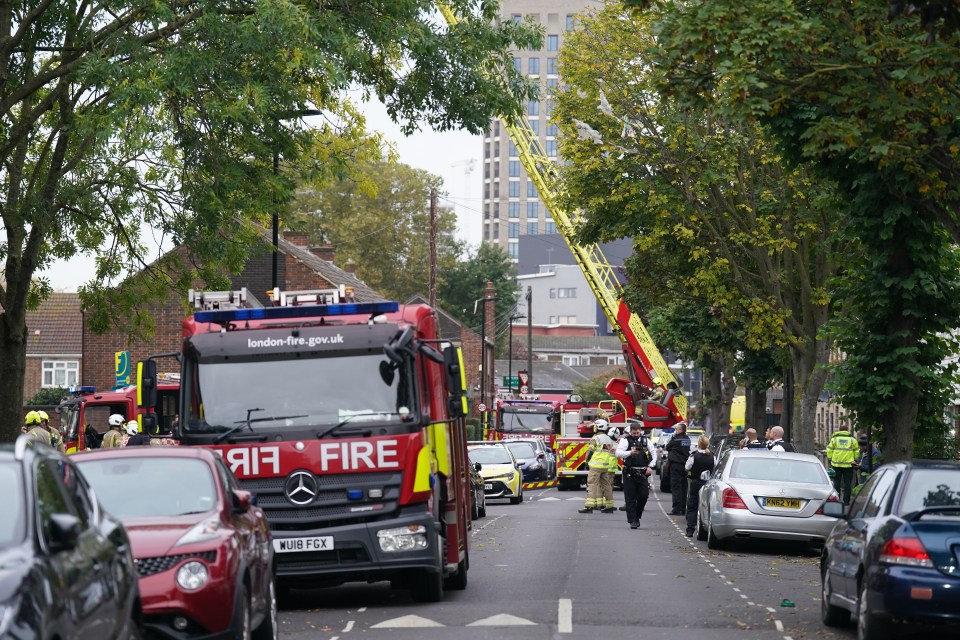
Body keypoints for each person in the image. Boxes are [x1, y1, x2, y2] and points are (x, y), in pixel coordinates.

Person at [616, 423, 657, 528]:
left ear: (640, 431)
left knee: (644, 495)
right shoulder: (625, 440)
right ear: (630, 432)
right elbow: (618, 453)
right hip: (630, 473)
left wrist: (650, 467)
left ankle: (637, 516)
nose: (635, 435)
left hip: (643, 473)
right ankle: (632, 521)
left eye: (637, 433)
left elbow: (654, 454)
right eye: (633, 433)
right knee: (630, 498)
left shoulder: (645, 440)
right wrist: (630, 453)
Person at [578, 420, 618, 514]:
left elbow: (590, 451)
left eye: (595, 426)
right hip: (605, 466)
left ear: (598, 427)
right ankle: (610, 506)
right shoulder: (608, 439)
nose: (594, 428)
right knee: (606, 485)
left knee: (592, 485)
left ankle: (589, 506)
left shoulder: (595, 438)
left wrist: (586, 462)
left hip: (595, 466)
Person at [685, 434, 715, 536]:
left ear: (698, 444)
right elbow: (715, 469)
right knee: (705, 506)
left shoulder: (694, 456)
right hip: (707, 484)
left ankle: (690, 529)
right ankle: (703, 529)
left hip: (695, 483)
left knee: (692, 506)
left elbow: (687, 467)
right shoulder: (712, 457)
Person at [826, 427, 858, 504]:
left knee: (837, 483)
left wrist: (830, 458)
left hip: (836, 464)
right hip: (849, 465)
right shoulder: (852, 440)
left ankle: (836, 500)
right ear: (847, 431)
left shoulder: (834, 439)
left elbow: (829, 449)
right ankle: (846, 501)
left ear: (839, 430)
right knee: (847, 483)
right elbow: (857, 451)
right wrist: (854, 459)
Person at [665, 422, 691, 515]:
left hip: (676, 465)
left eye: (677, 429)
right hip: (684, 465)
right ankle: (683, 508)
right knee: (684, 487)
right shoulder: (687, 439)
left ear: (680, 430)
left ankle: (676, 509)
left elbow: (667, 447)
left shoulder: (676, 439)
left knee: (676, 487)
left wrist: (673, 437)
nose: (675, 430)